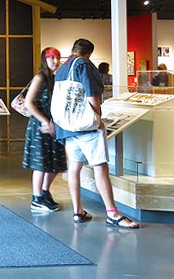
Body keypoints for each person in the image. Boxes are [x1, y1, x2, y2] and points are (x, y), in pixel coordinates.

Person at [54, 38, 139, 228]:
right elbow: (92, 94)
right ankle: (112, 213)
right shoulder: (84, 65)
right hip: (86, 126)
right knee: (100, 167)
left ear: (73, 49)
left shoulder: (62, 68)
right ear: (89, 53)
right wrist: (98, 119)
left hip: (67, 126)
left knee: (74, 167)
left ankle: (78, 211)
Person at [22, 47, 66, 212]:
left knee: (55, 163)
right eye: (51, 58)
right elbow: (28, 103)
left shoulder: (53, 79)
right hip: (40, 127)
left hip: (53, 126)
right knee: (40, 164)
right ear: (44, 59)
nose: (55, 61)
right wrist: (45, 121)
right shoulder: (40, 78)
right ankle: (37, 198)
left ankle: (44, 192)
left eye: (57, 58)